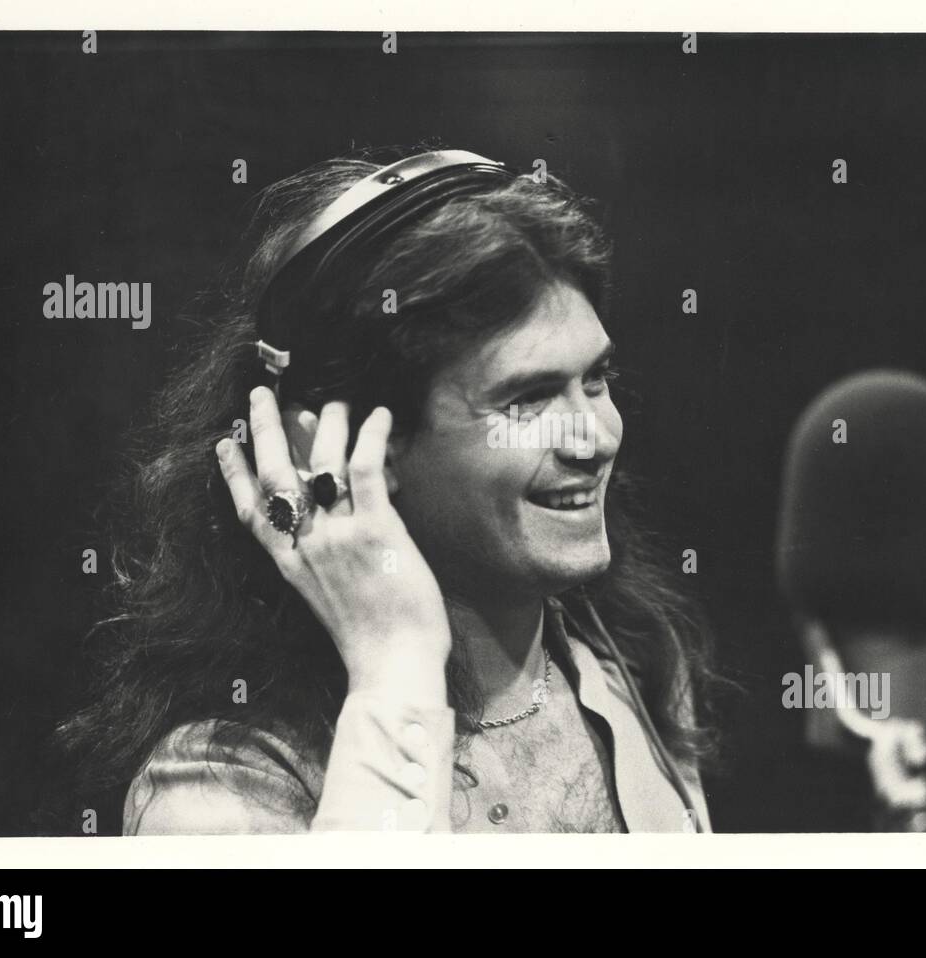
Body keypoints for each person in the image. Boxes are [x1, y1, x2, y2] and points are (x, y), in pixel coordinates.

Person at [54, 145, 727, 833]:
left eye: (596, 379)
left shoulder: (635, 660)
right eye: (528, 399)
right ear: (345, 447)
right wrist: (395, 667)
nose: (596, 438)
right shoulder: (222, 785)